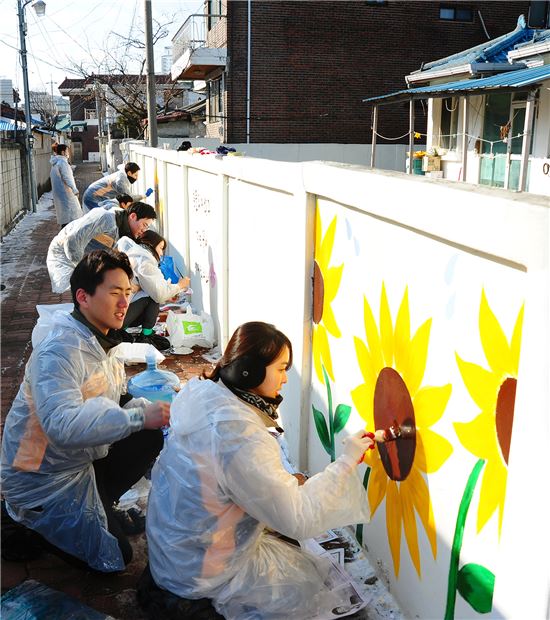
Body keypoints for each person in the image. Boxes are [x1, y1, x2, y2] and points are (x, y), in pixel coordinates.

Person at [142, 321, 373, 619]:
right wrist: (346, 461)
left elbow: (226, 478)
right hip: (199, 574)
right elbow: (298, 519)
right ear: (249, 371)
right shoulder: (238, 434)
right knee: (306, 587)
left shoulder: (205, 396)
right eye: (281, 368)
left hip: (173, 553)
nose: (285, 379)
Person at [1, 249, 171, 572]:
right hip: (41, 479)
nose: (125, 304)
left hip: (79, 461)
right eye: (115, 293)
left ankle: (102, 498)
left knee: (150, 431)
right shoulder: (59, 351)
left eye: (129, 293)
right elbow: (61, 425)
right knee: (114, 559)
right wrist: (136, 415)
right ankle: (29, 523)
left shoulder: (100, 341)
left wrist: (146, 410)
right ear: (83, 297)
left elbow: (106, 401)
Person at [46, 201, 156, 294]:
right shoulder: (107, 219)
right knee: (75, 293)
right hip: (63, 255)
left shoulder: (121, 231)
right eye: (144, 225)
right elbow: (72, 241)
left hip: (81, 258)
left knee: (89, 291)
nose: (143, 231)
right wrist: (84, 270)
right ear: (133, 216)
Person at [116, 231, 190, 351]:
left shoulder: (135, 254)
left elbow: (145, 286)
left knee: (151, 294)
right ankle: (146, 336)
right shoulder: (145, 261)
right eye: (161, 248)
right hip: (117, 317)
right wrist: (180, 285)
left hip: (112, 314)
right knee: (153, 297)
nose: (161, 254)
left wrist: (169, 292)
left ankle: (124, 332)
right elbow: (159, 294)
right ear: (151, 244)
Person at [82, 162, 152, 212]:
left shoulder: (122, 174)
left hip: (94, 194)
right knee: (101, 217)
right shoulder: (121, 181)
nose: (137, 178)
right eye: (136, 175)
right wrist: (144, 195)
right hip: (92, 197)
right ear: (129, 173)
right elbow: (129, 198)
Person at [50, 143, 82, 229]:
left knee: (65, 217)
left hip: (61, 193)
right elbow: (67, 178)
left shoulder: (56, 163)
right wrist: (74, 189)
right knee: (71, 217)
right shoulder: (62, 163)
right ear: (63, 152)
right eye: (67, 151)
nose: (68, 153)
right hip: (67, 193)